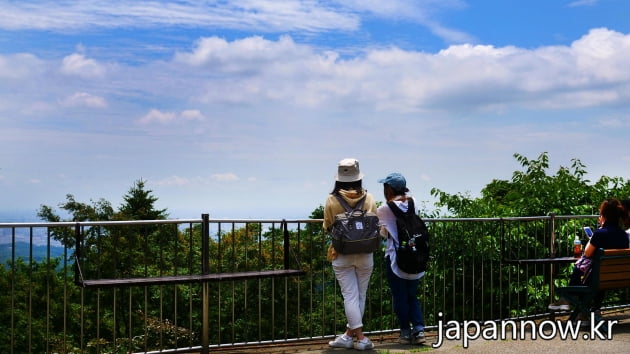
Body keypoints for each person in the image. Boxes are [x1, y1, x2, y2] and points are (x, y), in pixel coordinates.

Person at [323, 158, 377, 351]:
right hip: (366, 253)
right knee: (360, 295)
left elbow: (328, 226)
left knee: (350, 296)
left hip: (342, 253)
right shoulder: (369, 198)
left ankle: (360, 338)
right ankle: (348, 336)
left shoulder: (332, 200)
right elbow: (375, 223)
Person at [549, 198, 629, 313]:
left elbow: (587, 253)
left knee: (582, 265)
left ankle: (567, 300)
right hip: (616, 279)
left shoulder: (600, 233)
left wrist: (594, 235)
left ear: (604, 216)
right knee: (593, 273)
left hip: (596, 279)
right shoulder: (623, 235)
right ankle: (587, 313)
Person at [376, 172, 426, 344]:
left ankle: (405, 332)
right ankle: (419, 330)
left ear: (388, 188)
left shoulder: (384, 209)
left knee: (400, 297)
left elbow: (383, 232)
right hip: (416, 256)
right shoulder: (414, 202)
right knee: (412, 295)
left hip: (395, 258)